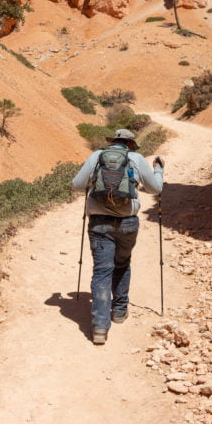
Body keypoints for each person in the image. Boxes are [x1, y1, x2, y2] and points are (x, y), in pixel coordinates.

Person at [71, 129, 164, 345]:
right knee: (122, 264)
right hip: (128, 223)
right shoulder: (137, 158)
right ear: (130, 145)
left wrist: (95, 185)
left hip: (99, 223)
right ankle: (120, 311)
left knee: (102, 272)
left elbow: (76, 185)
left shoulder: (97, 156)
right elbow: (156, 189)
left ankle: (100, 327)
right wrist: (158, 170)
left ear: (113, 142)